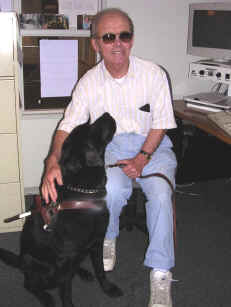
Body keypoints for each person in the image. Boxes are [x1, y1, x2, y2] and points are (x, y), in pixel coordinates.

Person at [41, 8, 177, 307]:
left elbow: (162, 122)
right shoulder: (89, 82)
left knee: (161, 194)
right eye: (109, 37)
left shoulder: (153, 74)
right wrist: (53, 158)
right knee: (112, 190)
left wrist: (142, 158)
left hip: (153, 146)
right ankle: (108, 238)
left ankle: (161, 271)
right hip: (115, 148)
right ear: (96, 44)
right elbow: (68, 123)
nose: (118, 43)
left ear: (132, 39)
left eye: (124, 35)